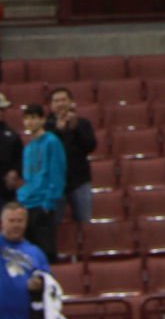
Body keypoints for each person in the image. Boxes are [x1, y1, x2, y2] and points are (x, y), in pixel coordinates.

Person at [0, 206, 48, 319]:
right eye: (11, 221)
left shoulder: (35, 252)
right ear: (2, 222)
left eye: (19, 221)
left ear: (26, 223)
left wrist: (39, 284)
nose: (15, 225)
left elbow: (48, 282)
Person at [16, 108, 65, 264]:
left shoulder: (52, 141)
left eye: (34, 118)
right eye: (27, 118)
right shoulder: (28, 147)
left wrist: (48, 202)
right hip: (27, 203)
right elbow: (27, 177)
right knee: (30, 254)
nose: (30, 122)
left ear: (42, 120)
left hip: (43, 203)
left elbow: (57, 173)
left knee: (46, 252)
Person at [46, 88, 97, 229]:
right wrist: (58, 131)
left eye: (63, 100)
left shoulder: (83, 123)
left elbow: (90, 146)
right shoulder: (46, 126)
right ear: (51, 106)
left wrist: (75, 129)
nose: (60, 104)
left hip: (80, 181)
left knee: (85, 224)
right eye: (56, 101)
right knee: (54, 226)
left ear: (71, 102)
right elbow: (46, 151)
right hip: (55, 184)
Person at [0, 95, 23, 198]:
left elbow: (20, 158)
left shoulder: (11, 135)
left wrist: (15, 171)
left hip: (5, 189)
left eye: (2, 109)